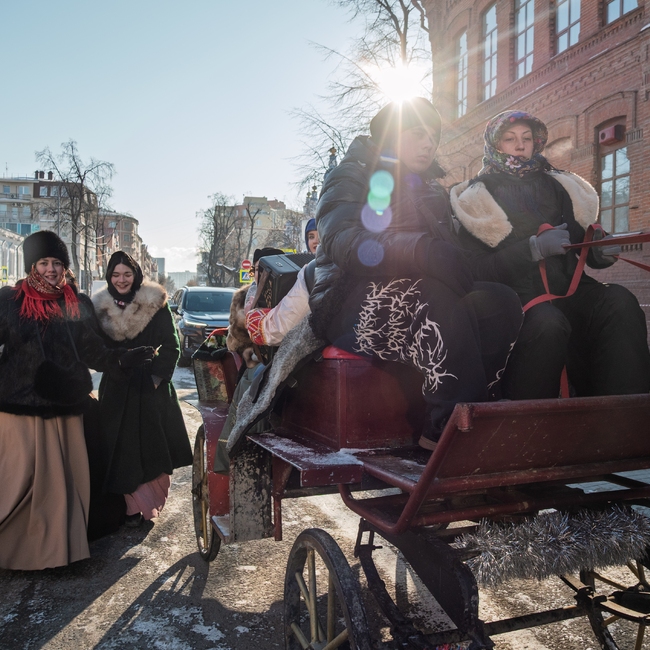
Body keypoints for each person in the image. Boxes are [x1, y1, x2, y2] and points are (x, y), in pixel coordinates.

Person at [308, 97, 524, 449]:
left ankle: (477, 412)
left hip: (417, 289)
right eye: (418, 134)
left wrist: (523, 251)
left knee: (500, 301)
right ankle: (445, 435)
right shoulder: (353, 173)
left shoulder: (431, 189)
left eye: (433, 137)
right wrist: (421, 251)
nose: (429, 144)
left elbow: (455, 256)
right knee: (437, 300)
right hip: (346, 300)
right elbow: (342, 240)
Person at [451, 110, 650, 399]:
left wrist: (599, 250)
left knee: (619, 300)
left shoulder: (559, 184)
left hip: (571, 289)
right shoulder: (476, 196)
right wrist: (531, 249)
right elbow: (476, 269)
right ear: (495, 144)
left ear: (536, 142)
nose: (520, 145)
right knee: (548, 323)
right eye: (510, 139)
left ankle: (624, 410)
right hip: (517, 297)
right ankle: (531, 417)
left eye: (526, 138)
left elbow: (579, 239)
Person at [0, 231, 154, 570]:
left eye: (57, 263)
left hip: (65, 408)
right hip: (18, 409)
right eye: (43, 262)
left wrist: (121, 359)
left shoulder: (75, 303)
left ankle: (56, 553)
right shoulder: (9, 301)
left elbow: (92, 350)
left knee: (58, 489)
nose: (51, 269)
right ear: (31, 266)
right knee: (15, 485)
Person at [92, 251, 193, 526]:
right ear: (109, 277)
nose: (121, 279)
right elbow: (96, 350)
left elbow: (172, 345)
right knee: (119, 449)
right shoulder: (100, 308)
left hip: (150, 389)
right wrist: (115, 364)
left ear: (136, 275)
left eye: (127, 274)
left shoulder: (154, 303)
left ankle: (147, 506)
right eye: (116, 274)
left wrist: (156, 379)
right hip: (116, 388)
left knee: (151, 448)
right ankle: (127, 507)